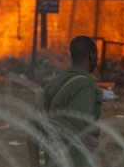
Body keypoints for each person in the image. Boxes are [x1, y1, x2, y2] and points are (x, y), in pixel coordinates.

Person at [30, 36, 103, 167]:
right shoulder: (85, 85)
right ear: (91, 55)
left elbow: (33, 129)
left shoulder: (52, 83)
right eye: (97, 55)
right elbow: (78, 130)